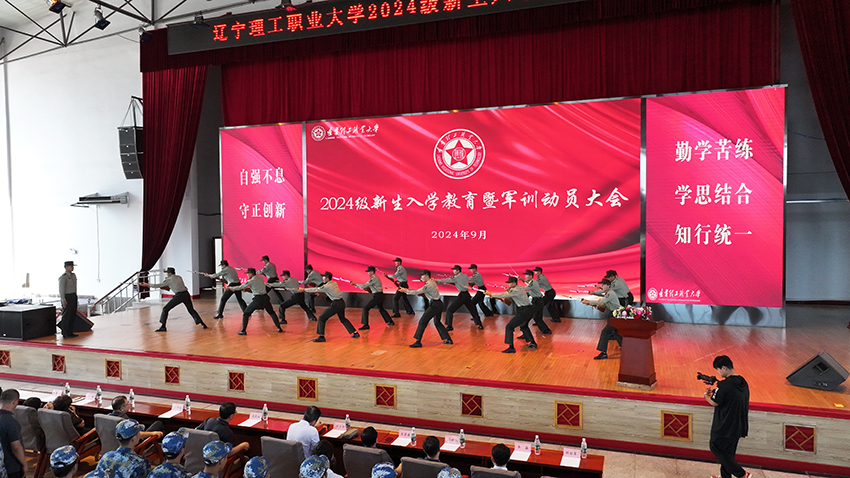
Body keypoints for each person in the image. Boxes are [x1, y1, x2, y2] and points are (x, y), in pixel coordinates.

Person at [704, 355, 751, 478]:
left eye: (718, 369)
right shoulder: (743, 382)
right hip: (739, 424)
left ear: (724, 368)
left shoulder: (724, 385)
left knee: (715, 447)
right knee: (728, 453)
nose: (718, 373)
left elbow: (714, 402)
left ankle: (742, 474)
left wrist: (706, 396)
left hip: (725, 425)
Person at [140, 267, 207, 332]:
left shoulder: (169, 279)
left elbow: (158, 285)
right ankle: (202, 323)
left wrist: (147, 285)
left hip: (179, 296)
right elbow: (174, 285)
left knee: (165, 309)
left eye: (167, 273)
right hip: (186, 294)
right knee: (191, 310)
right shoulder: (179, 277)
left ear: (170, 273)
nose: (167, 274)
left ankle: (163, 326)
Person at [300, 272, 359, 342]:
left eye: (324, 277)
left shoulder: (327, 286)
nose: (322, 278)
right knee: (343, 319)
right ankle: (355, 333)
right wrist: (319, 294)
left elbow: (317, 289)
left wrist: (303, 290)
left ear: (327, 278)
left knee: (322, 318)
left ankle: (321, 337)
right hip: (341, 303)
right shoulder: (334, 283)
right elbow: (329, 293)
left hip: (336, 304)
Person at [399, 270, 452, 348]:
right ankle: (448, 339)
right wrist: (407, 290)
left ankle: (418, 342)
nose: (421, 277)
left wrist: (405, 290)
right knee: (437, 322)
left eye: (422, 275)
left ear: (427, 276)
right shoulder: (431, 282)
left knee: (422, 321)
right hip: (438, 304)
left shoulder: (429, 285)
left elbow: (417, 292)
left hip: (435, 305)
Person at [226, 268, 284, 335]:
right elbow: (255, 288)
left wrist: (229, 288)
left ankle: (243, 330)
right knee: (272, 313)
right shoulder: (260, 278)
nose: (247, 275)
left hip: (258, 299)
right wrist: (247, 290)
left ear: (251, 274)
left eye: (248, 273)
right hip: (266, 298)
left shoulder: (251, 281)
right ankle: (279, 328)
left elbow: (240, 287)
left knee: (246, 313)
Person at [487, 276, 537, 353]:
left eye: (510, 283)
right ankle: (533, 343)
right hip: (528, 310)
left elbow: (503, 295)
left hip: (524, 311)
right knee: (523, 326)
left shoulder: (515, 290)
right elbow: (511, 294)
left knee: (509, 327)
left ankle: (511, 347)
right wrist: (509, 291)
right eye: (508, 283)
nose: (509, 284)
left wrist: (490, 294)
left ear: (514, 283)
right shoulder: (520, 287)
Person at [582, 279, 622, 360]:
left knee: (605, 332)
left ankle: (603, 353)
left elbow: (601, 301)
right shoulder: (608, 293)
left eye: (603, 285)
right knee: (615, 332)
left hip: (616, 316)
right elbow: (605, 304)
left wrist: (589, 302)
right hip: (615, 315)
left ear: (608, 286)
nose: (601, 287)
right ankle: (626, 347)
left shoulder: (610, 294)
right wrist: (593, 305)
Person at [436, 265, 483, 330]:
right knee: (473, 310)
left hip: (462, 296)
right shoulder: (465, 275)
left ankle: (449, 326)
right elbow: (458, 282)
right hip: (467, 295)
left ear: (458, 270)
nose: (453, 271)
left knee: (450, 310)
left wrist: (437, 280)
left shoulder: (457, 277)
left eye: (454, 270)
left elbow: (448, 280)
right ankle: (480, 325)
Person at [0, 390, 27, 478]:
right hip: (10, 467)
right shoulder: (11, 422)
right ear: (15, 402)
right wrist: (24, 464)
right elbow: (16, 447)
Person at [519, 269, 552, 335]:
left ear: (531, 276)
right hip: (537, 300)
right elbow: (530, 291)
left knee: (535, 316)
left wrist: (514, 289)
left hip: (538, 301)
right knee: (537, 317)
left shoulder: (533, 283)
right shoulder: (532, 282)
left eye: (526, 275)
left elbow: (524, 288)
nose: (525, 276)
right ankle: (545, 330)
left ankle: (546, 330)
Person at [58, 260, 78, 338]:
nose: (72, 268)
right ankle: (65, 332)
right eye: (70, 266)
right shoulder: (63, 277)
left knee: (72, 314)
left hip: (73, 296)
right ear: (66, 267)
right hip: (67, 296)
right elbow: (61, 289)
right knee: (67, 315)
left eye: (72, 266)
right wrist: (63, 299)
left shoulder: (73, 275)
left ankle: (70, 331)